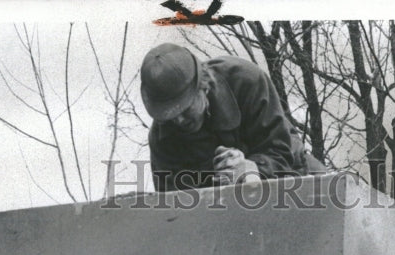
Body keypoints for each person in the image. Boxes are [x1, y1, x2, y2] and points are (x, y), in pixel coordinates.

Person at [140, 42, 327, 192]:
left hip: (293, 177)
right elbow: (174, 209)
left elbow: (282, 152)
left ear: (203, 87)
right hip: (219, 214)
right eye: (170, 115)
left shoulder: (246, 81)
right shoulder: (162, 140)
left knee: (335, 202)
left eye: (185, 109)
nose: (179, 121)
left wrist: (253, 170)